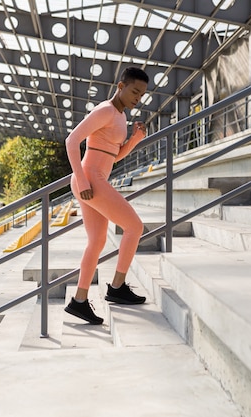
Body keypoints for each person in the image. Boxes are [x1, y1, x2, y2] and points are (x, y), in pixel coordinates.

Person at [64, 67, 150, 325]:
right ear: (121, 86)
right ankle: (117, 287)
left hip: (94, 179)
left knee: (97, 241)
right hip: (89, 179)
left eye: (142, 94)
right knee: (134, 227)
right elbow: (71, 141)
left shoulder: (120, 117)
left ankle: (79, 301)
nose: (138, 97)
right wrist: (81, 180)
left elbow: (114, 155)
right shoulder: (104, 111)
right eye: (134, 91)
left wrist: (134, 140)